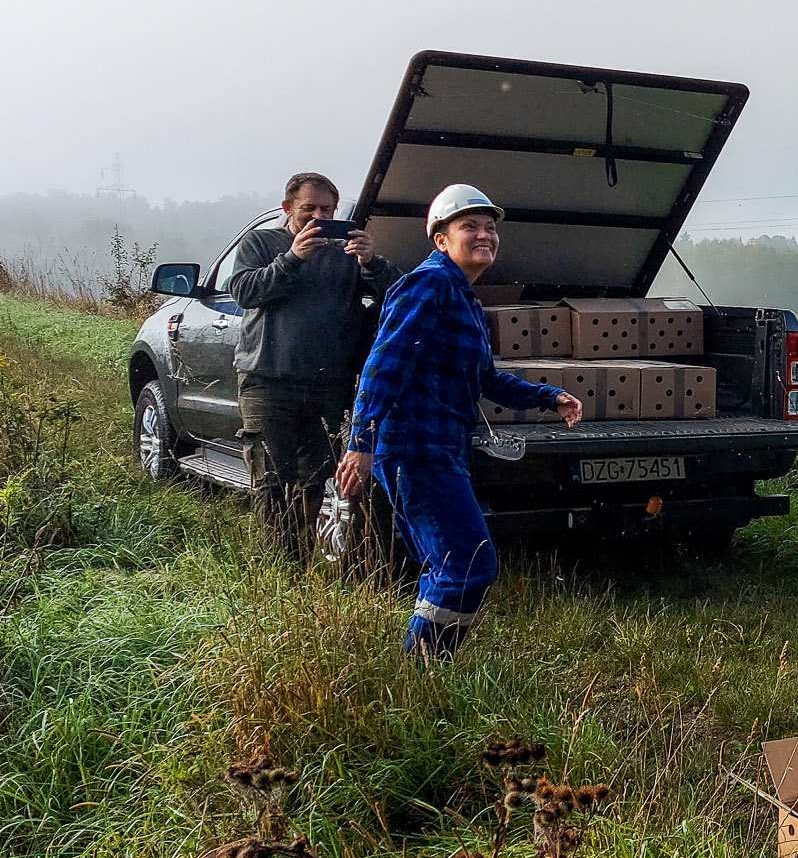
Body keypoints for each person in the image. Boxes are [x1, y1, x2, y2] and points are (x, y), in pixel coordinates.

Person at [334, 185, 584, 660]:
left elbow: (485, 378)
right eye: (469, 226)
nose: (484, 234)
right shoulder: (427, 284)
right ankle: (425, 666)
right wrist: (360, 441)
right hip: (414, 449)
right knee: (468, 564)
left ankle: (423, 667)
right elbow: (383, 364)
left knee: (446, 563)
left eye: (490, 227)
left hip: (442, 449)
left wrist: (548, 397)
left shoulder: (463, 298)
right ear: (440, 239)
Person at [225, 171, 398, 558]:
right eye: (309, 209)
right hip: (267, 380)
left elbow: (398, 298)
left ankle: (313, 563)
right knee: (272, 482)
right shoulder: (262, 242)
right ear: (288, 208)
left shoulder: (347, 253)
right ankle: (280, 574)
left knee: (316, 482)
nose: (318, 216)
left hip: (329, 384)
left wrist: (372, 263)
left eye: (327, 209)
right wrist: (292, 258)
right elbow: (245, 292)